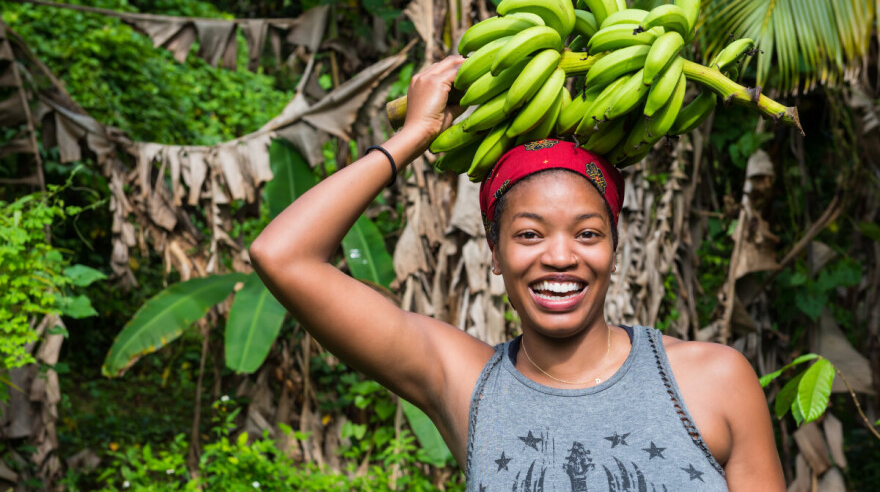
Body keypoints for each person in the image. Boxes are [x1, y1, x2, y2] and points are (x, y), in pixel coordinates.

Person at [249, 56, 785, 491]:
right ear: (494, 251)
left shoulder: (713, 379)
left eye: (587, 234)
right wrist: (412, 136)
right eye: (529, 234)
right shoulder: (466, 385)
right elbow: (282, 256)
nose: (560, 256)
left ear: (615, 248)